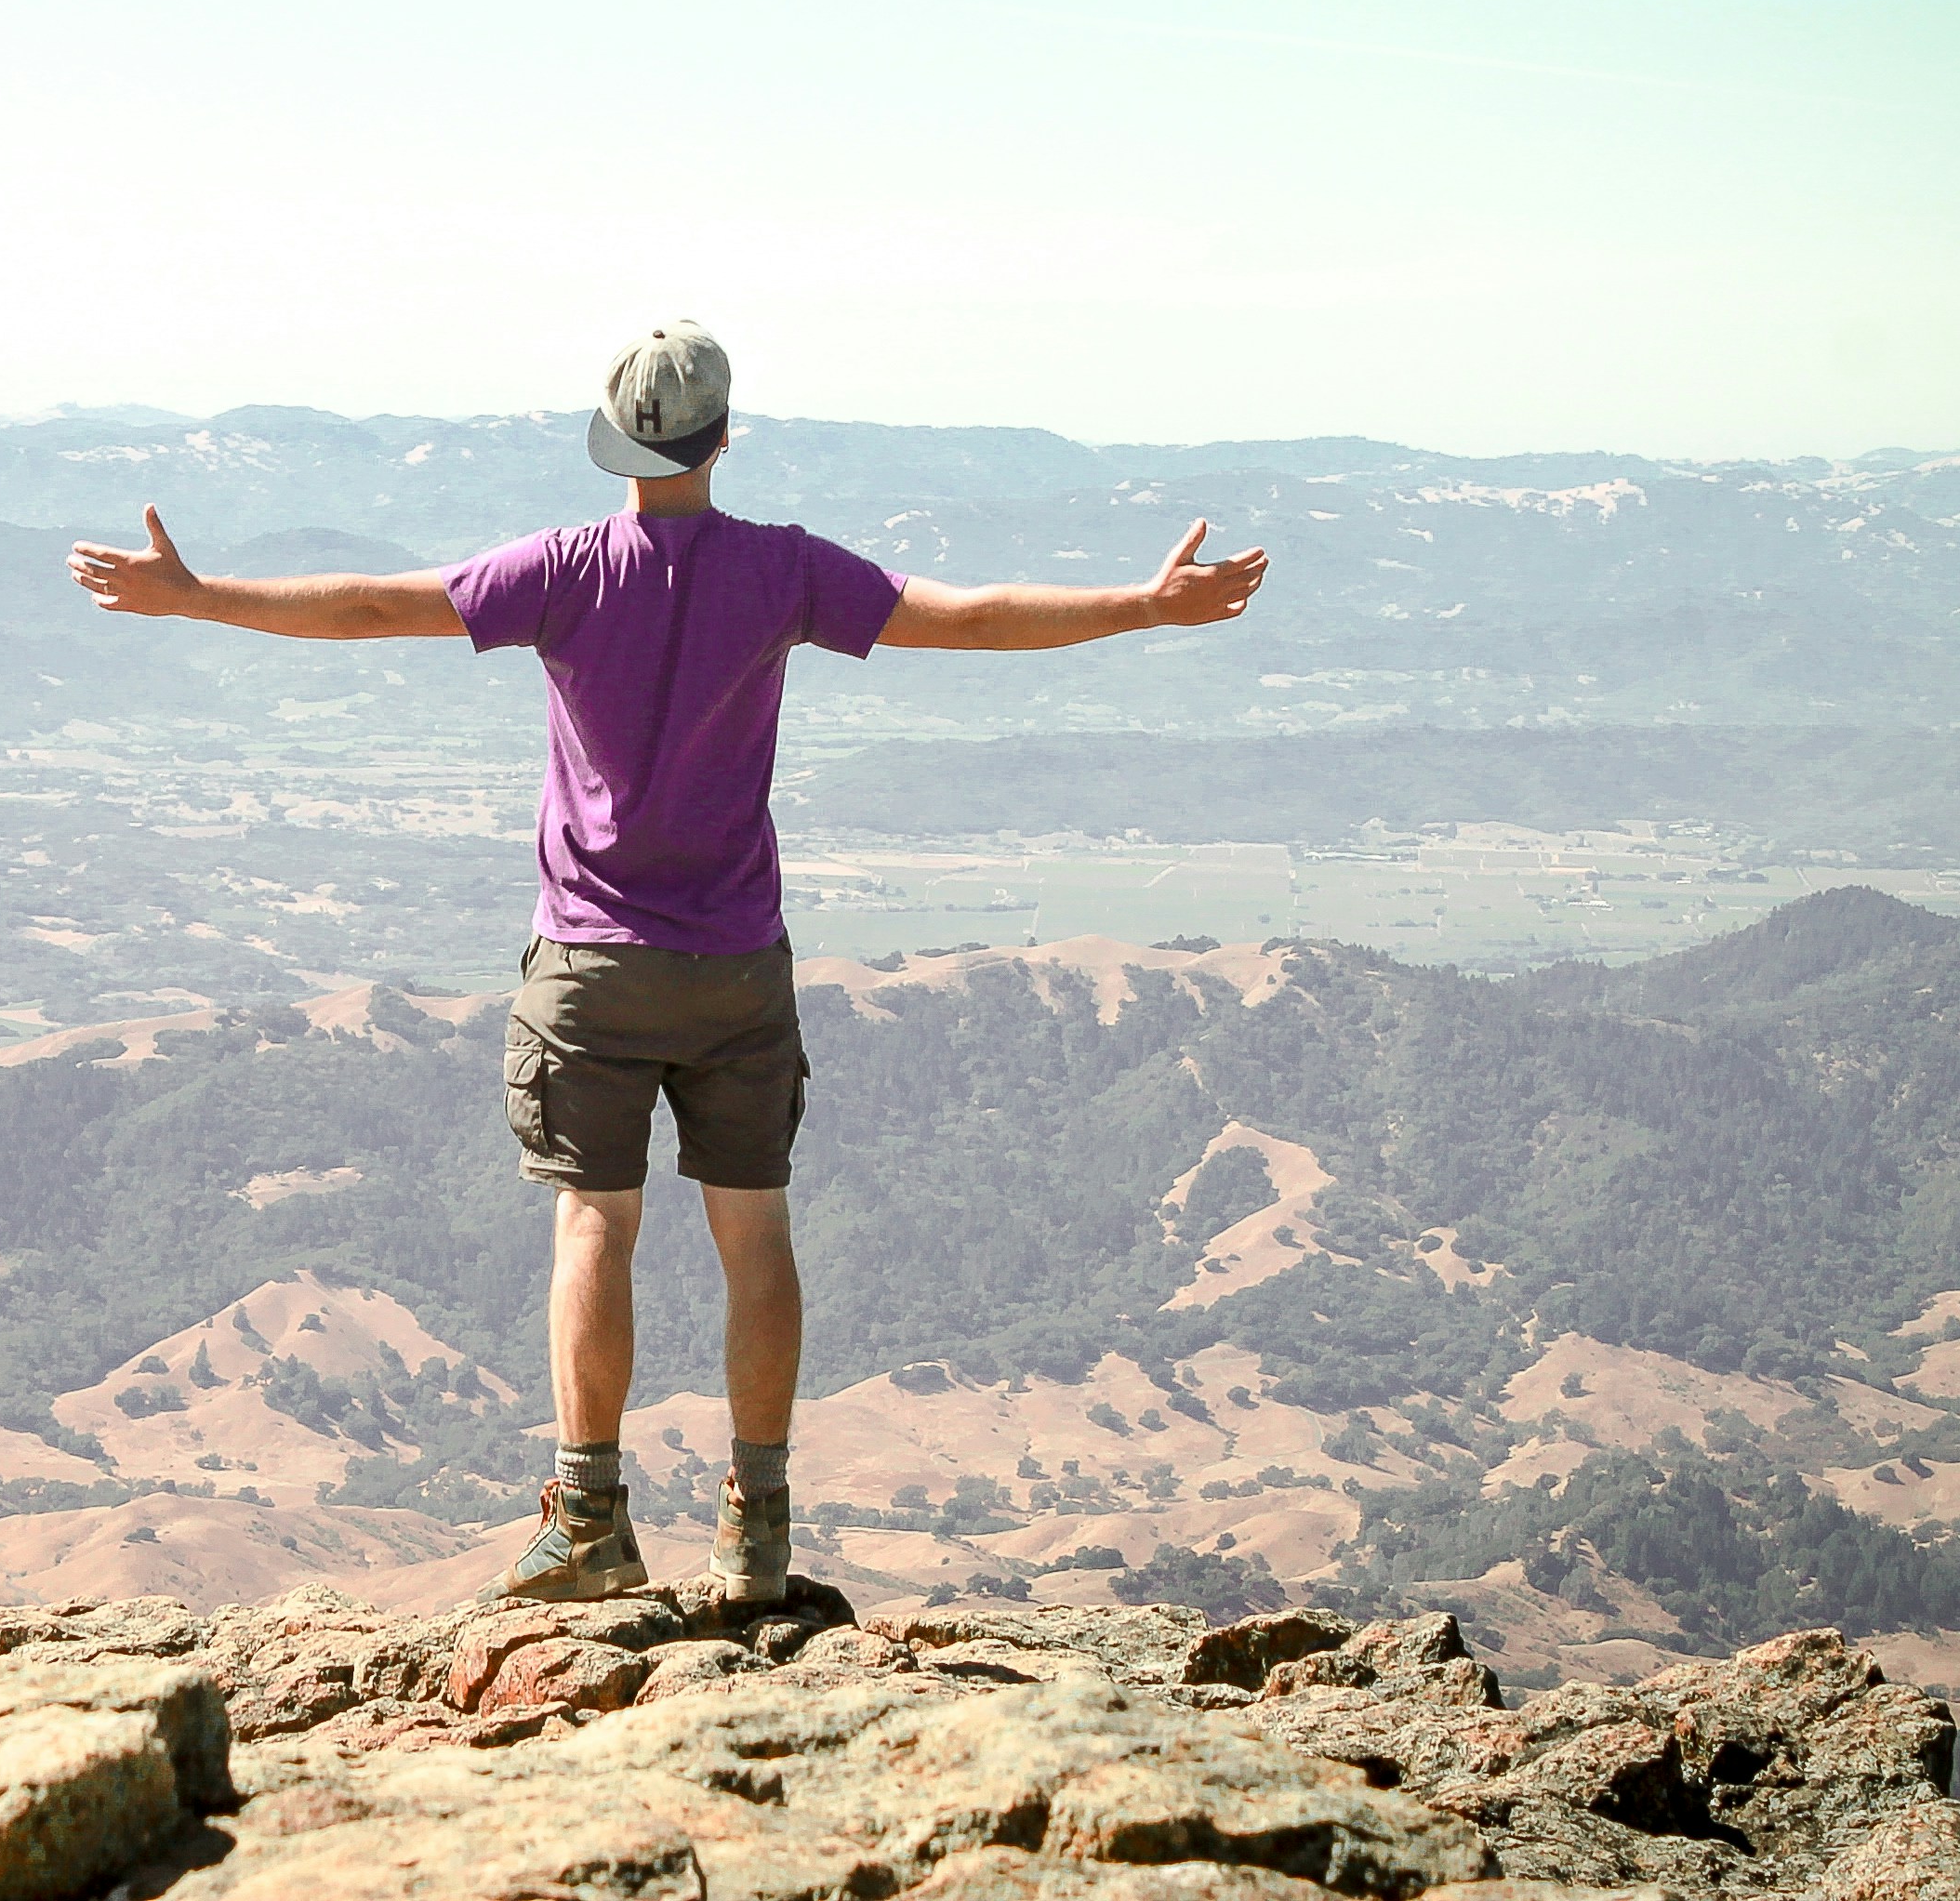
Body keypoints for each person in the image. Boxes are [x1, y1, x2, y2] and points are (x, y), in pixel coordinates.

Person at [67, 320, 1265, 1605]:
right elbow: (965, 620)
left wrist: (194, 597)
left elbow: (373, 605)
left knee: (595, 1222)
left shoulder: (566, 569)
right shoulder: (782, 571)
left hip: (590, 962)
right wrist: (1142, 607)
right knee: (754, 1233)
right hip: (737, 963)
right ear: (723, 439)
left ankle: (588, 1521)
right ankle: (757, 1532)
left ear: (615, 445)